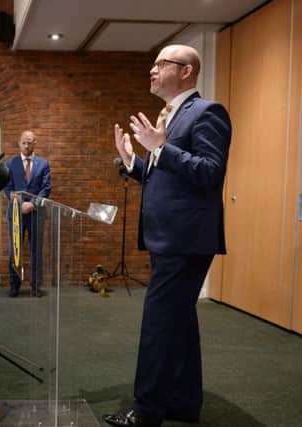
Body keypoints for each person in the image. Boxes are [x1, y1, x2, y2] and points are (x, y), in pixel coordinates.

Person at [103, 45, 232, 427]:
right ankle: (184, 401)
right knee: (180, 320)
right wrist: (133, 163)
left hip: (185, 240)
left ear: (187, 71)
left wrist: (161, 147)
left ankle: (146, 411)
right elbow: (167, 178)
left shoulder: (208, 112)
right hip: (169, 237)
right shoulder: (171, 116)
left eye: (161, 64)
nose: (152, 70)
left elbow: (210, 173)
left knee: (159, 322)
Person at [4, 130, 51, 297]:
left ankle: (36, 286)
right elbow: (7, 188)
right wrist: (20, 204)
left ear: (35, 143)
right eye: (24, 142)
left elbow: (46, 188)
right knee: (14, 250)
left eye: (30, 142)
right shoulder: (10, 164)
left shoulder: (43, 164)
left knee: (36, 250)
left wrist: (32, 203)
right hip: (15, 213)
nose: (26, 145)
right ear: (19, 143)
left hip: (36, 213)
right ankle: (14, 285)